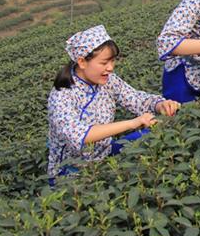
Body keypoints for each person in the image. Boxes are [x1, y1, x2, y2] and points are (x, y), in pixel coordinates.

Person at [48, 25, 180, 184]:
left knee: (156, 132)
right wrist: (133, 123)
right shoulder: (62, 95)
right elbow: (80, 135)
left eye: (112, 61)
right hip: (71, 174)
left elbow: (135, 98)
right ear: (82, 62)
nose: (110, 68)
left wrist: (160, 104)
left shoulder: (108, 80)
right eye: (104, 62)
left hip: (104, 155)